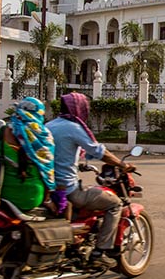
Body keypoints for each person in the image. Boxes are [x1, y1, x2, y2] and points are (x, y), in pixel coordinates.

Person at [47, 92, 135, 267]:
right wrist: (122, 165)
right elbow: (99, 152)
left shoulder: (49, 125)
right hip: (69, 190)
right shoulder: (73, 128)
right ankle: (100, 251)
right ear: (79, 109)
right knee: (115, 204)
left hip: (49, 187)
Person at [0, 97, 55, 212]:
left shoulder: (2, 132)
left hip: (3, 194)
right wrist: (47, 200)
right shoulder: (44, 137)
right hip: (32, 197)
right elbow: (48, 172)